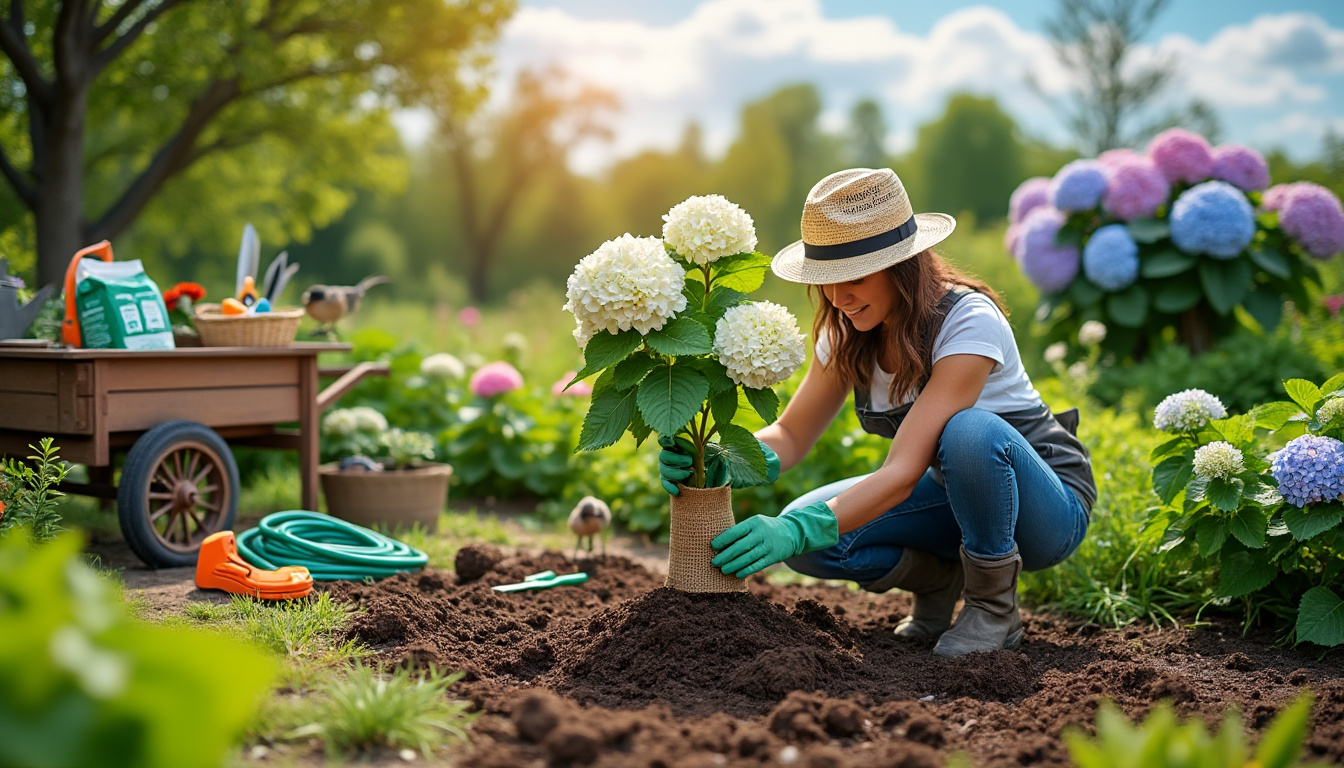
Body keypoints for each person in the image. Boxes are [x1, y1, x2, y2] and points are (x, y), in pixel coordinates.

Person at [658, 168, 1096, 657]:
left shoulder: (968, 322)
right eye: (827, 280)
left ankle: (994, 609)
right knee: (819, 537)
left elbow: (904, 471)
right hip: (952, 500)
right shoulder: (846, 333)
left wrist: (795, 532)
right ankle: (939, 581)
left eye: (856, 278)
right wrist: (722, 457)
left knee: (969, 432)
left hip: (1043, 512)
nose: (839, 299)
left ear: (902, 266)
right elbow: (791, 434)